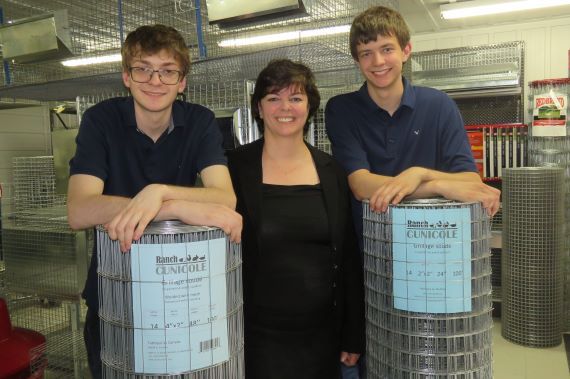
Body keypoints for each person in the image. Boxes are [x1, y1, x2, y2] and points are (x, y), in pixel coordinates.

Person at [326, 6, 501, 378]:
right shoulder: (342, 110)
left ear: (406, 50)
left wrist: (421, 176)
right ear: (357, 60)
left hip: (436, 265)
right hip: (371, 262)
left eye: (387, 49)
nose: (378, 61)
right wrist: (437, 186)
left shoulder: (438, 106)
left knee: (435, 360)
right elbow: (360, 184)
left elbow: (471, 186)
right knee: (383, 359)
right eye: (366, 53)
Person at [67, 24, 242, 378]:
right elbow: (79, 210)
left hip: (182, 294)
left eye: (167, 71)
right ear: (126, 77)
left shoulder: (199, 123)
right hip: (114, 294)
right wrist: (169, 208)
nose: (155, 80)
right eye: (143, 69)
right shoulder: (101, 121)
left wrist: (160, 194)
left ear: (182, 82)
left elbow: (225, 198)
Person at [227, 59, 365, 379]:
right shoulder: (233, 168)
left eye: (295, 98)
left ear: (309, 106)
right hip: (255, 336)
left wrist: (352, 332)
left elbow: (346, 257)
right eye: (273, 98)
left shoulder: (332, 171)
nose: (284, 107)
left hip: (322, 335)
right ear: (259, 109)